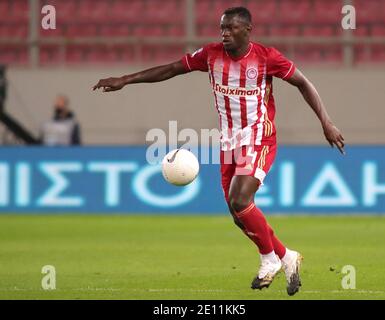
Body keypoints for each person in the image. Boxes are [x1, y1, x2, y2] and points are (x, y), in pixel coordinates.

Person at [93, 7, 345, 296]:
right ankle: (286, 256)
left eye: (231, 28)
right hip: (227, 143)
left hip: (259, 138)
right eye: (222, 28)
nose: (224, 33)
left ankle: (268, 260)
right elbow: (172, 69)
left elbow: (303, 83)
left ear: (248, 30)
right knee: (238, 214)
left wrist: (326, 122)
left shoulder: (267, 57)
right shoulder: (210, 55)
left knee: (240, 199)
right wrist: (125, 79)